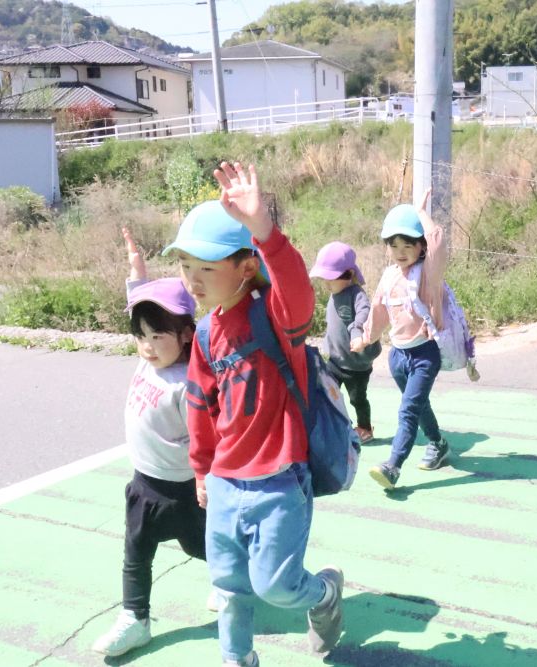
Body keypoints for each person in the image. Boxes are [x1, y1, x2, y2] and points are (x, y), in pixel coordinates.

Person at [172, 162, 345, 667]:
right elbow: (201, 408)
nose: (193, 281)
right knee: (228, 586)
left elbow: (297, 290)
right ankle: (237, 659)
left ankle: (324, 594)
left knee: (277, 584)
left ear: (245, 268)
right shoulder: (204, 334)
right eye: (186, 267)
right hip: (226, 481)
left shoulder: (274, 315)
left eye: (206, 268)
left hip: (278, 480)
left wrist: (263, 231)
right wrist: (202, 469)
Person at [91, 229, 204, 657]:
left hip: (185, 493)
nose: (148, 346)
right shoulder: (150, 360)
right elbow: (146, 304)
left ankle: (238, 579)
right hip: (144, 484)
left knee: (203, 548)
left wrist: (205, 481)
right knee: (136, 554)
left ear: (186, 335)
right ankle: (134, 619)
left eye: (159, 337)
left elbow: (203, 442)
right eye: (141, 336)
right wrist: (137, 272)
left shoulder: (188, 382)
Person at [354, 189, 449, 490]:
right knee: (418, 406)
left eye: (408, 244)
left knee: (408, 410)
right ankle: (438, 442)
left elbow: (437, 241)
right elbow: (378, 310)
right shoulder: (388, 276)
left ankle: (392, 466)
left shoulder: (427, 273)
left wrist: (421, 212)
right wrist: (366, 338)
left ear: (420, 246)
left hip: (424, 354)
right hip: (398, 357)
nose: (401, 250)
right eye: (394, 245)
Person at [309, 241, 382, 444]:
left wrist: (357, 332)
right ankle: (339, 426)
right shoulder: (335, 294)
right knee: (328, 394)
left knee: (357, 399)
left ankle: (365, 428)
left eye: (330, 279)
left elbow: (364, 313)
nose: (326, 284)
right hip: (334, 361)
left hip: (355, 366)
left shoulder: (356, 294)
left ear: (349, 275)